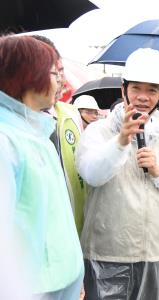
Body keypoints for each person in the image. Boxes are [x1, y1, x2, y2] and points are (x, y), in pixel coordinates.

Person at [75, 48, 159, 300]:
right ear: (123, 90)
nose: (143, 97)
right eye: (136, 88)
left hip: (153, 253)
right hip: (108, 253)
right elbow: (92, 173)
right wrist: (121, 140)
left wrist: (158, 171)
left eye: (152, 90)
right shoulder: (99, 131)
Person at [0, 35, 83, 299]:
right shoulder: (6, 140)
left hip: (60, 282)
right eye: (53, 73)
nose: (60, 82)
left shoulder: (37, 132)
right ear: (26, 75)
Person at [32, 34, 87, 236]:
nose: (60, 80)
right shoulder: (15, 124)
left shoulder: (71, 114)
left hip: (75, 228)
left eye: (61, 71)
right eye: (54, 73)